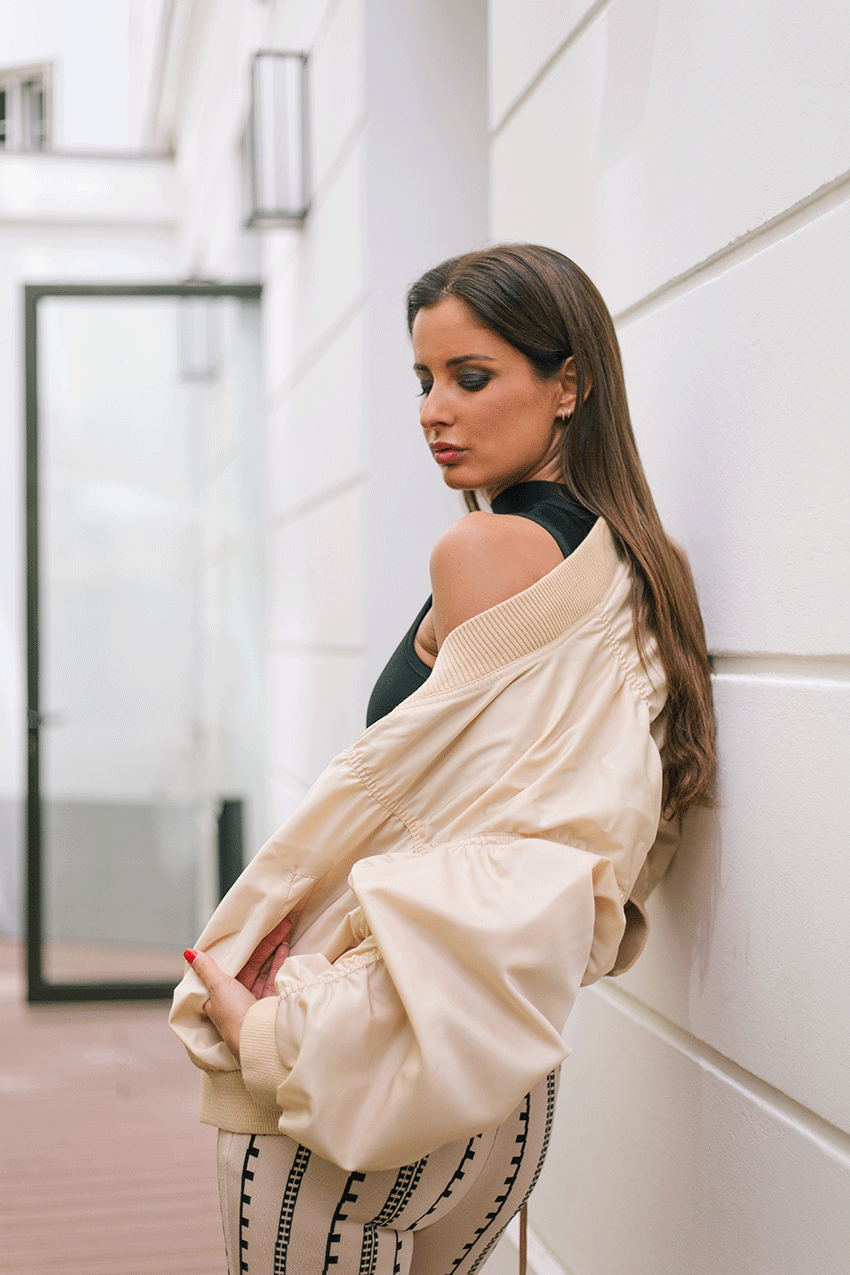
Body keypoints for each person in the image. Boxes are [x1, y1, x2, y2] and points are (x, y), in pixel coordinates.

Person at [170, 244, 716, 1275]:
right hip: (504, 1088)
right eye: (423, 380)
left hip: (363, 1062)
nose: (434, 411)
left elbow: (459, 843)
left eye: (471, 377)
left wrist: (271, 1030)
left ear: (568, 384)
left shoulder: (486, 550)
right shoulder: (638, 566)